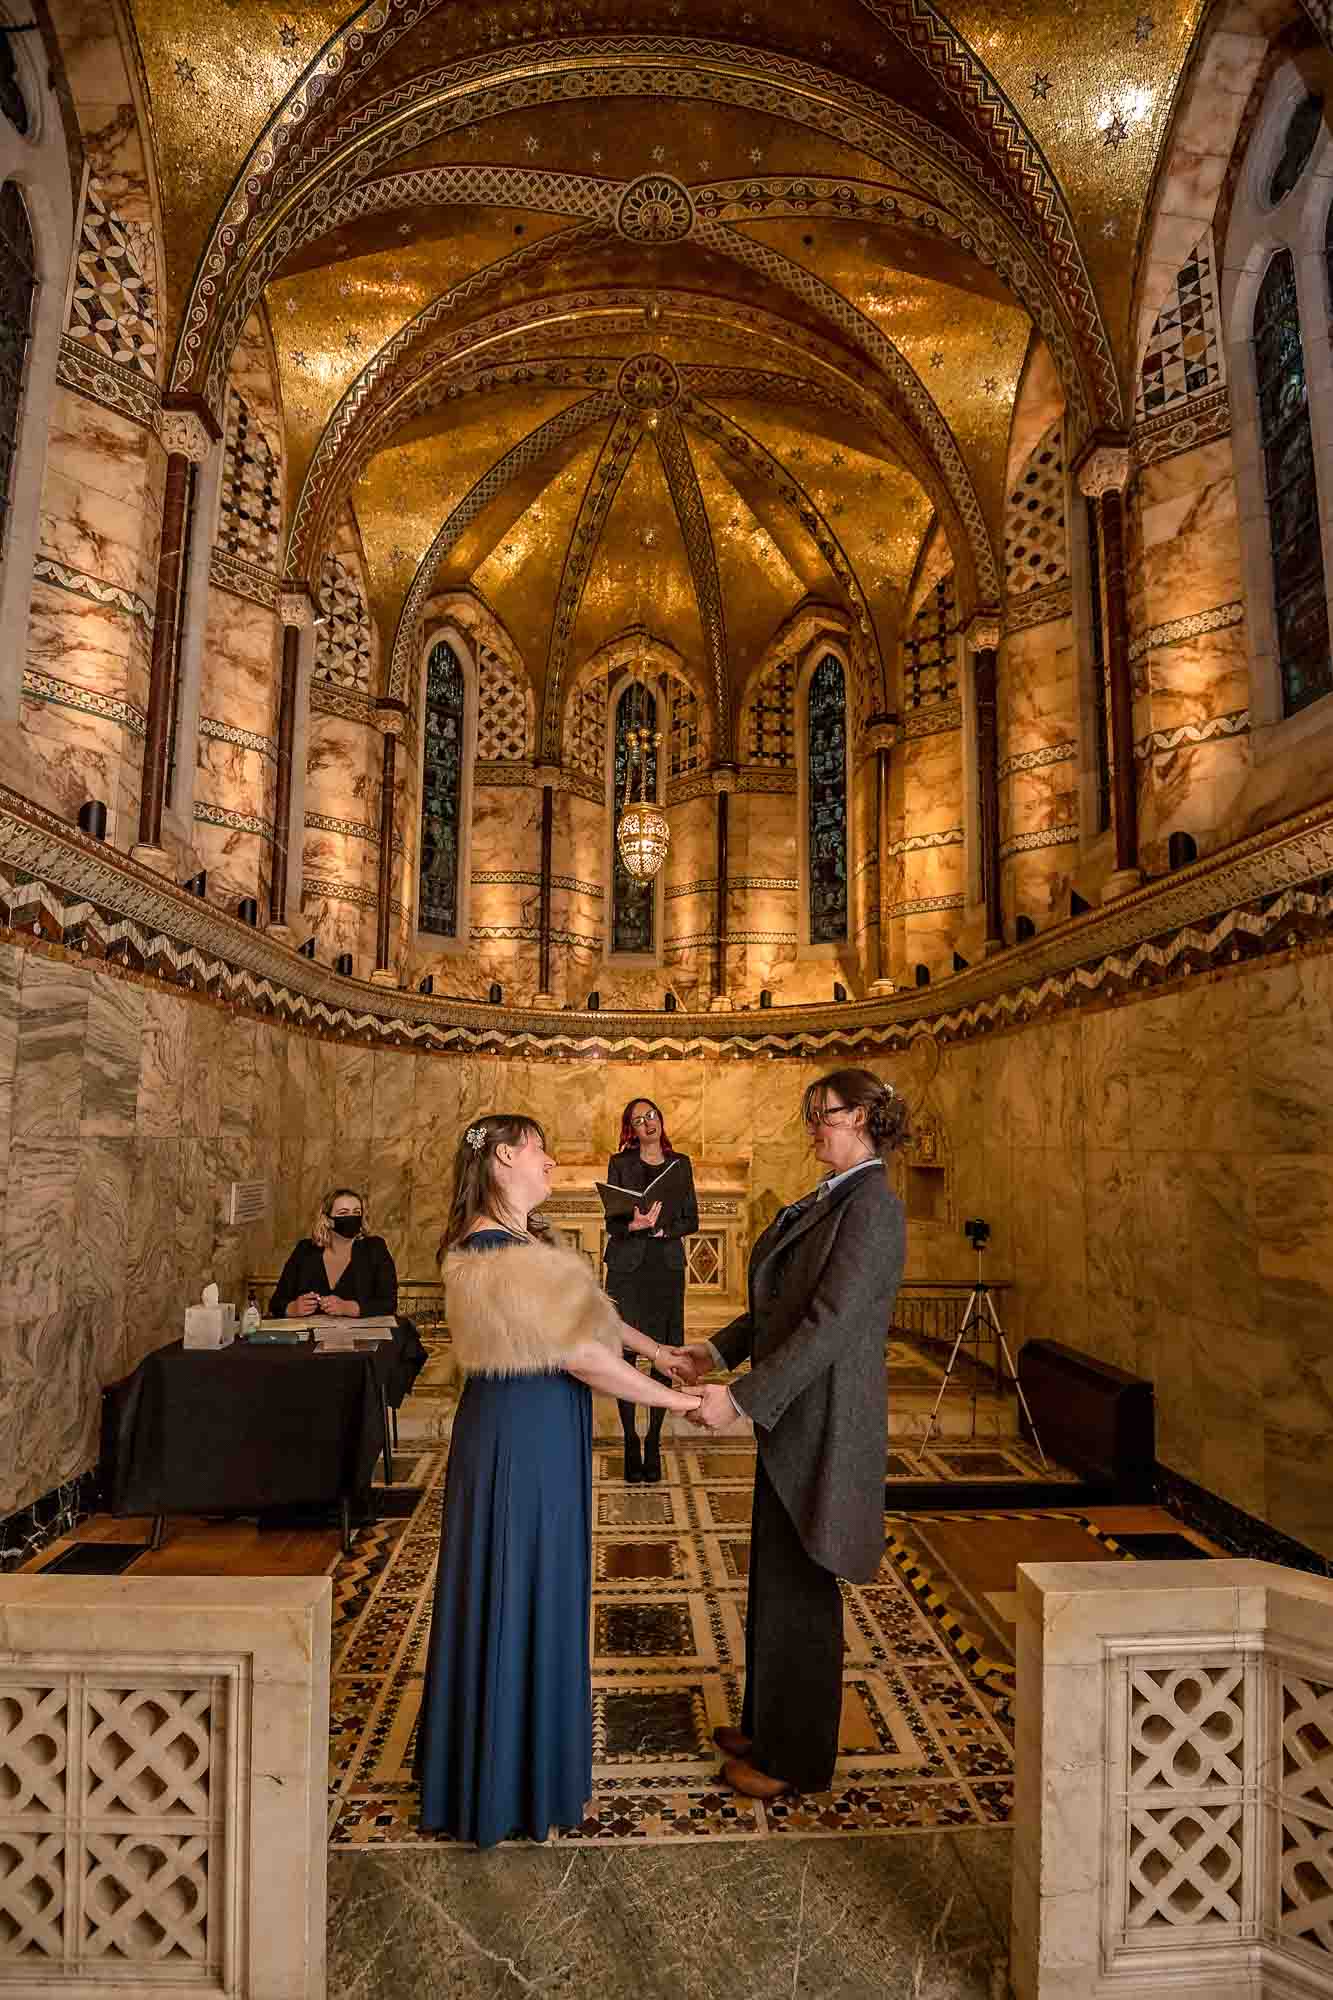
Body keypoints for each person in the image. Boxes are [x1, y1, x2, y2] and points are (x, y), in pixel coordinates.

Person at [415, 1113, 703, 1848]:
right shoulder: (489, 1249)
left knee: (538, 1581)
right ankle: (504, 1783)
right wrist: (683, 1403)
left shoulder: (521, 1241)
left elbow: (593, 1316)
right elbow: (579, 1353)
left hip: (537, 1431)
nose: (551, 1163)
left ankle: (513, 1764)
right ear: (506, 1156)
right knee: (518, 1582)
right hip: (519, 1440)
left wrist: (663, 1352)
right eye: (541, 1150)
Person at [674, 1067, 908, 1803]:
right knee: (775, 1581)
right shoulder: (834, 1197)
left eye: (824, 1115)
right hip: (797, 1417)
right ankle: (767, 1725)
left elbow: (828, 1325)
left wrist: (739, 1401)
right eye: (811, 1115)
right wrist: (713, 1352)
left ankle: (795, 1760)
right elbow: (782, 1304)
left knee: (804, 1587)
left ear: (866, 1116)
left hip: (825, 1419)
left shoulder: (872, 1206)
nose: (813, 1128)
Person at [602, 1097, 699, 1484]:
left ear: (661, 1120)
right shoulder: (620, 1163)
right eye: (638, 1119)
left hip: (666, 1271)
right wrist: (635, 1225)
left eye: (652, 1115)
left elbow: (692, 1217)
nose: (648, 1123)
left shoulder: (681, 1163)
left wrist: (663, 1229)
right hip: (628, 1270)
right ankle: (629, 1441)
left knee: (664, 1355)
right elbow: (612, 1221)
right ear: (631, 1128)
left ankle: (654, 1441)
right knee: (626, 1356)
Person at [267, 1186, 424, 1406]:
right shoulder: (305, 1251)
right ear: (327, 1219)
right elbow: (277, 1302)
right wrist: (292, 1308)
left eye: (356, 1212)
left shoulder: (374, 1248)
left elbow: (388, 1302)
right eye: (343, 1214)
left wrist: (350, 1308)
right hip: (310, 1353)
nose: (351, 1218)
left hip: (358, 1352)